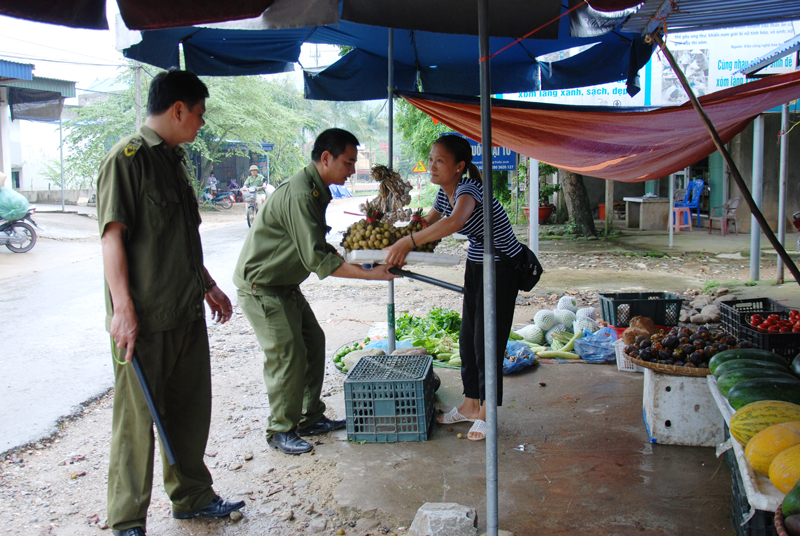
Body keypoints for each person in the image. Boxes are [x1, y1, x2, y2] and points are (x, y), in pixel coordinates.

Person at [97, 69, 244, 536]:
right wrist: (122, 310)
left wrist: (208, 285)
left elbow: (180, 239)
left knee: (188, 410)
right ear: (177, 109)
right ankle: (126, 520)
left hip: (184, 311)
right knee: (138, 422)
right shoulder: (127, 160)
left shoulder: (174, 161)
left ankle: (192, 497)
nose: (200, 123)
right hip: (144, 320)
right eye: (198, 114)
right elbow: (112, 238)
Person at [233, 128, 399, 455]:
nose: (353, 169)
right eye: (348, 162)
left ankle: (309, 417)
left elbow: (315, 242)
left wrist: (357, 259)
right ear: (326, 158)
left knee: (313, 341)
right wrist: (374, 276)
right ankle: (281, 429)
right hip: (262, 287)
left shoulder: (316, 188)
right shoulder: (300, 193)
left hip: (284, 284)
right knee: (287, 354)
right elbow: (315, 259)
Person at [384, 134, 522, 442]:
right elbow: (427, 227)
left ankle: (488, 412)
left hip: (502, 265)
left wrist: (408, 242)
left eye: (440, 160)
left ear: (459, 166)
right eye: (431, 159)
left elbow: (455, 222)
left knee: (489, 340)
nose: (432, 165)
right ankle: (471, 404)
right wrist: (393, 239)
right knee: (469, 337)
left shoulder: (468, 188)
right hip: (477, 262)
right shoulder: (443, 194)